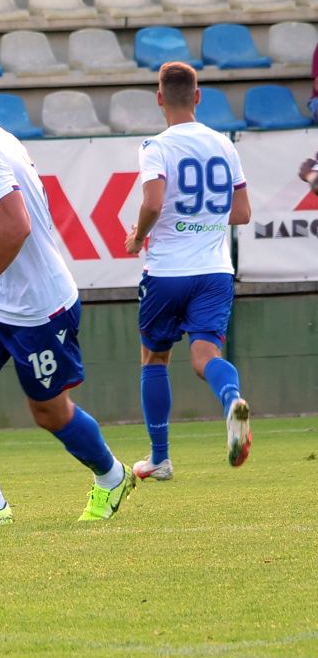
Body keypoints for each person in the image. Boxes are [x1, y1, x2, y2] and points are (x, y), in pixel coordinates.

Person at [0, 53, 135, 526]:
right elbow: (10, 220)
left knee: (50, 413)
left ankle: (112, 475)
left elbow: (16, 226)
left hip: (39, 308)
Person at [123, 62, 253, 479]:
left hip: (166, 272)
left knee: (154, 359)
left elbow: (153, 202)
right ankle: (231, 397)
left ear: (160, 98)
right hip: (215, 271)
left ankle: (159, 458)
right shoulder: (224, 145)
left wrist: (137, 237)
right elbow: (243, 213)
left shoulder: (155, 146)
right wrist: (203, 218)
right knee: (205, 356)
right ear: (198, 97)